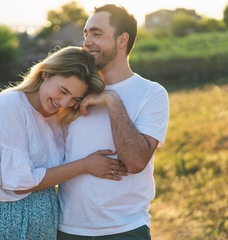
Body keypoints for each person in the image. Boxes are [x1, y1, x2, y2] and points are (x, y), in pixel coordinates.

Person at [0, 46, 128, 240]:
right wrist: (85, 165)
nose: (64, 103)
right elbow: (19, 183)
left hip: (39, 228)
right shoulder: (11, 103)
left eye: (75, 99)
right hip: (1, 222)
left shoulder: (59, 119)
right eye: (63, 91)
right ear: (45, 73)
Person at [58, 5, 169, 240]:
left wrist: (112, 101)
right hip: (67, 228)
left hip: (125, 230)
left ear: (122, 39)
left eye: (97, 34)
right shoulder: (72, 92)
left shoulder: (151, 93)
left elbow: (136, 161)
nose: (87, 41)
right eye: (86, 33)